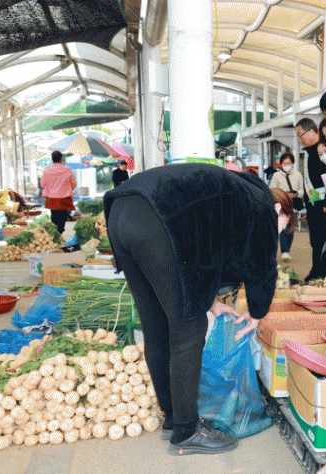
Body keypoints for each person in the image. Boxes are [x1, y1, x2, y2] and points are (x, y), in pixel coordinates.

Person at [104, 163, 294, 455]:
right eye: (282, 227)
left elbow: (210, 253)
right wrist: (257, 312)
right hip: (157, 218)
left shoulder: (236, 194)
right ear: (279, 211)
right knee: (189, 328)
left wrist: (212, 302)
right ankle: (187, 431)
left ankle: (173, 416)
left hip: (121, 211)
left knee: (157, 326)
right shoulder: (262, 207)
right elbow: (262, 266)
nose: (278, 235)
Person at [295, 118, 326, 281]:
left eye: (300, 134)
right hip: (313, 205)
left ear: (311, 132)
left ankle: (321, 272)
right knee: (316, 240)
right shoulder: (308, 152)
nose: (299, 139)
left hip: (324, 207)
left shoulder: (323, 150)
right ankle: (316, 270)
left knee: (324, 240)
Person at [269, 152, 303, 261]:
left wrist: (296, 194)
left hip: (293, 205)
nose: (286, 165)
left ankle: (287, 250)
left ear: (292, 163)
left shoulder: (298, 175)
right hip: (281, 205)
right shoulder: (276, 175)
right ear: (281, 164)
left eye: (288, 163)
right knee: (283, 228)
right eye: (284, 163)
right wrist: (283, 194)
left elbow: (302, 190)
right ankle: (284, 251)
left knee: (291, 229)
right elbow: (272, 190)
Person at [41, 150, 76, 234]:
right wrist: (66, 189)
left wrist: (51, 188)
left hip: (51, 198)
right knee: (62, 218)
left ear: (52, 159)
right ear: (61, 158)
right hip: (65, 198)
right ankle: (59, 234)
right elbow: (74, 184)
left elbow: (42, 184)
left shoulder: (47, 170)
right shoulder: (68, 170)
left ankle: (55, 235)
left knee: (54, 217)